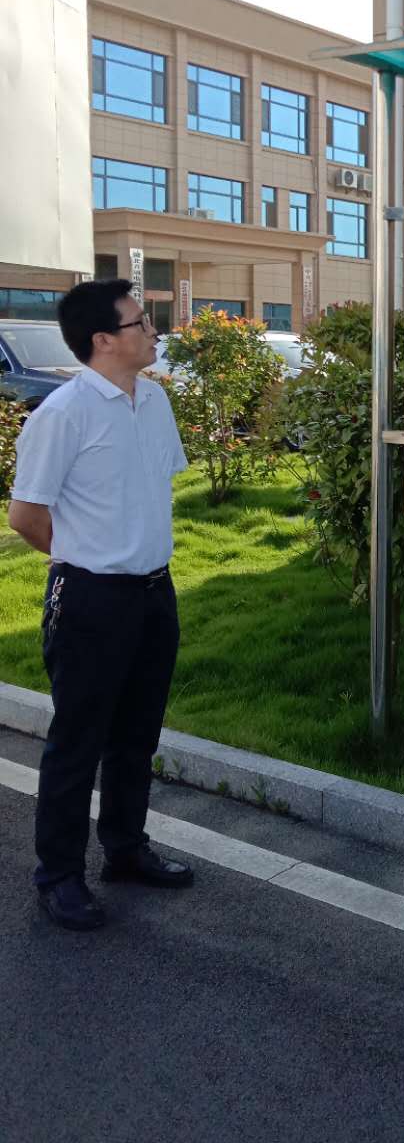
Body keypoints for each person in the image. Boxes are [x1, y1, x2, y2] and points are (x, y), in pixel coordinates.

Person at [7, 280, 194, 931]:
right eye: (142, 323)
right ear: (104, 340)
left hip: (154, 593)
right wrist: (83, 558)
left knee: (136, 736)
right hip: (91, 599)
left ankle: (125, 848)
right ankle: (59, 875)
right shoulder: (64, 413)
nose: (154, 331)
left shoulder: (155, 401)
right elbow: (26, 516)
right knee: (77, 741)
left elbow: (151, 489)